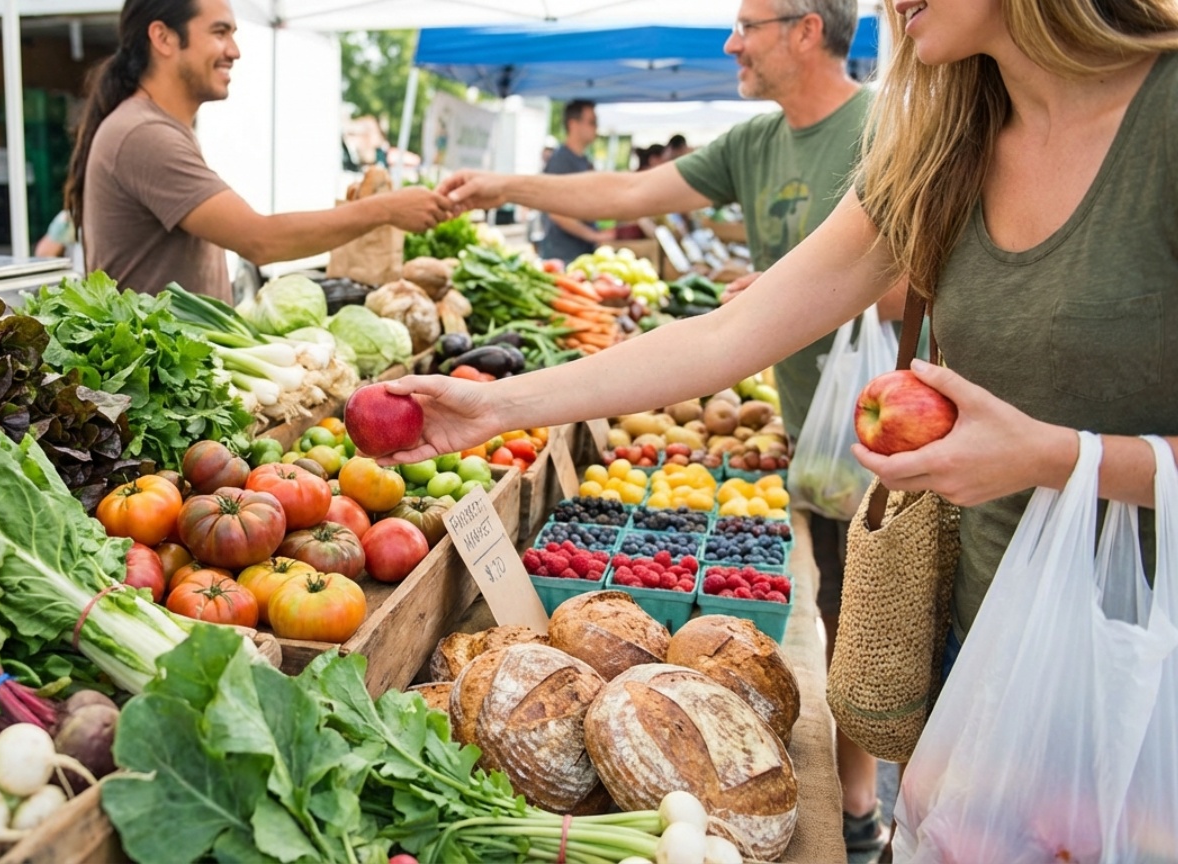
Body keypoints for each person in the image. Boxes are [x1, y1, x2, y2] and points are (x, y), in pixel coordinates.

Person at [388, 0, 1178, 846]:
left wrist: (1058, 457)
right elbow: (732, 333)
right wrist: (498, 403)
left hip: (1148, 670)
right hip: (978, 652)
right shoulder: (943, 145)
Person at [433, 1, 897, 852]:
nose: (731, 42)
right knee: (834, 594)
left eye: (749, 23)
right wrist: (508, 184)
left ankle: (861, 806)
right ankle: (864, 804)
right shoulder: (757, 143)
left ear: (806, 28)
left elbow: (924, 272)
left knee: (872, 623)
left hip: (895, 428)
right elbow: (628, 193)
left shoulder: (889, 127)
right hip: (808, 423)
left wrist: (805, 292)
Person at [64, 0, 453, 302]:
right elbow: (260, 241)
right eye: (219, 33)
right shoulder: (143, 133)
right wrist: (386, 209)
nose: (234, 51)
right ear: (163, 38)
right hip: (154, 391)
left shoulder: (155, 126)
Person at [537, 100, 614, 263]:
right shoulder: (561, 161)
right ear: (573, 124)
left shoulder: (584, 160)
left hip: (580, 253)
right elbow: (556, 213)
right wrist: (594, 235)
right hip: (563, 255)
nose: (596, 128)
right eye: (592, 122)